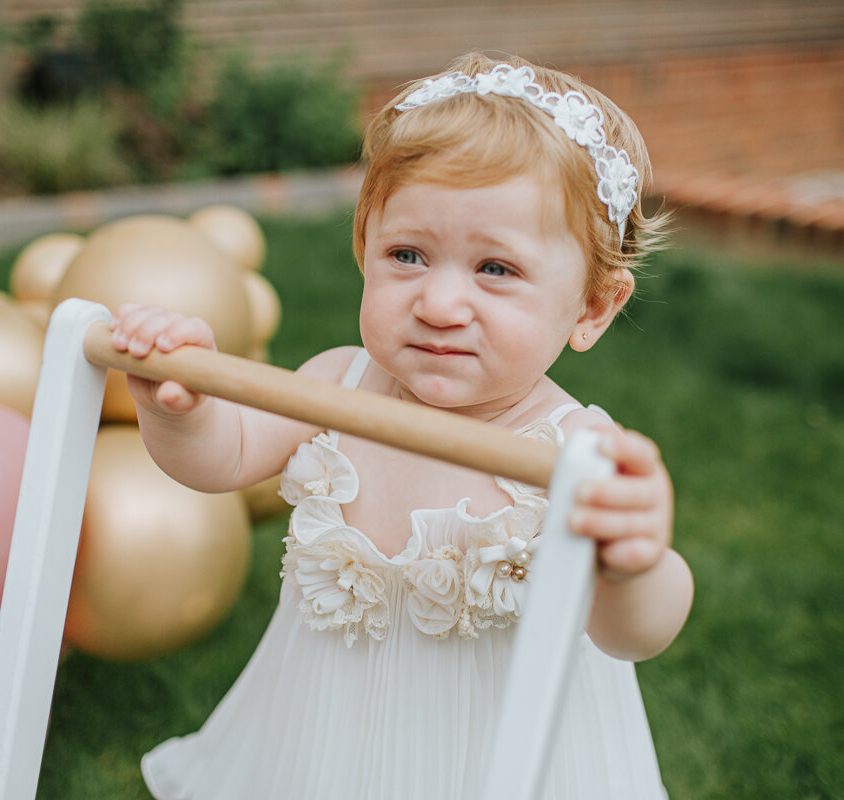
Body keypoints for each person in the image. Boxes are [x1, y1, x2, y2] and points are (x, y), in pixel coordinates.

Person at [110, 51, 693, 799]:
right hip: (323, 736)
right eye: (407, 255)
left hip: (488, 761)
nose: (441, 302)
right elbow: (219, 460)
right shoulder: (338, 384)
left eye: (496, 269)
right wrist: (178, 405)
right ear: (364, 252)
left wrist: (635, 566)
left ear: (591, 307)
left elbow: (633, 635)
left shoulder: (573, 452)